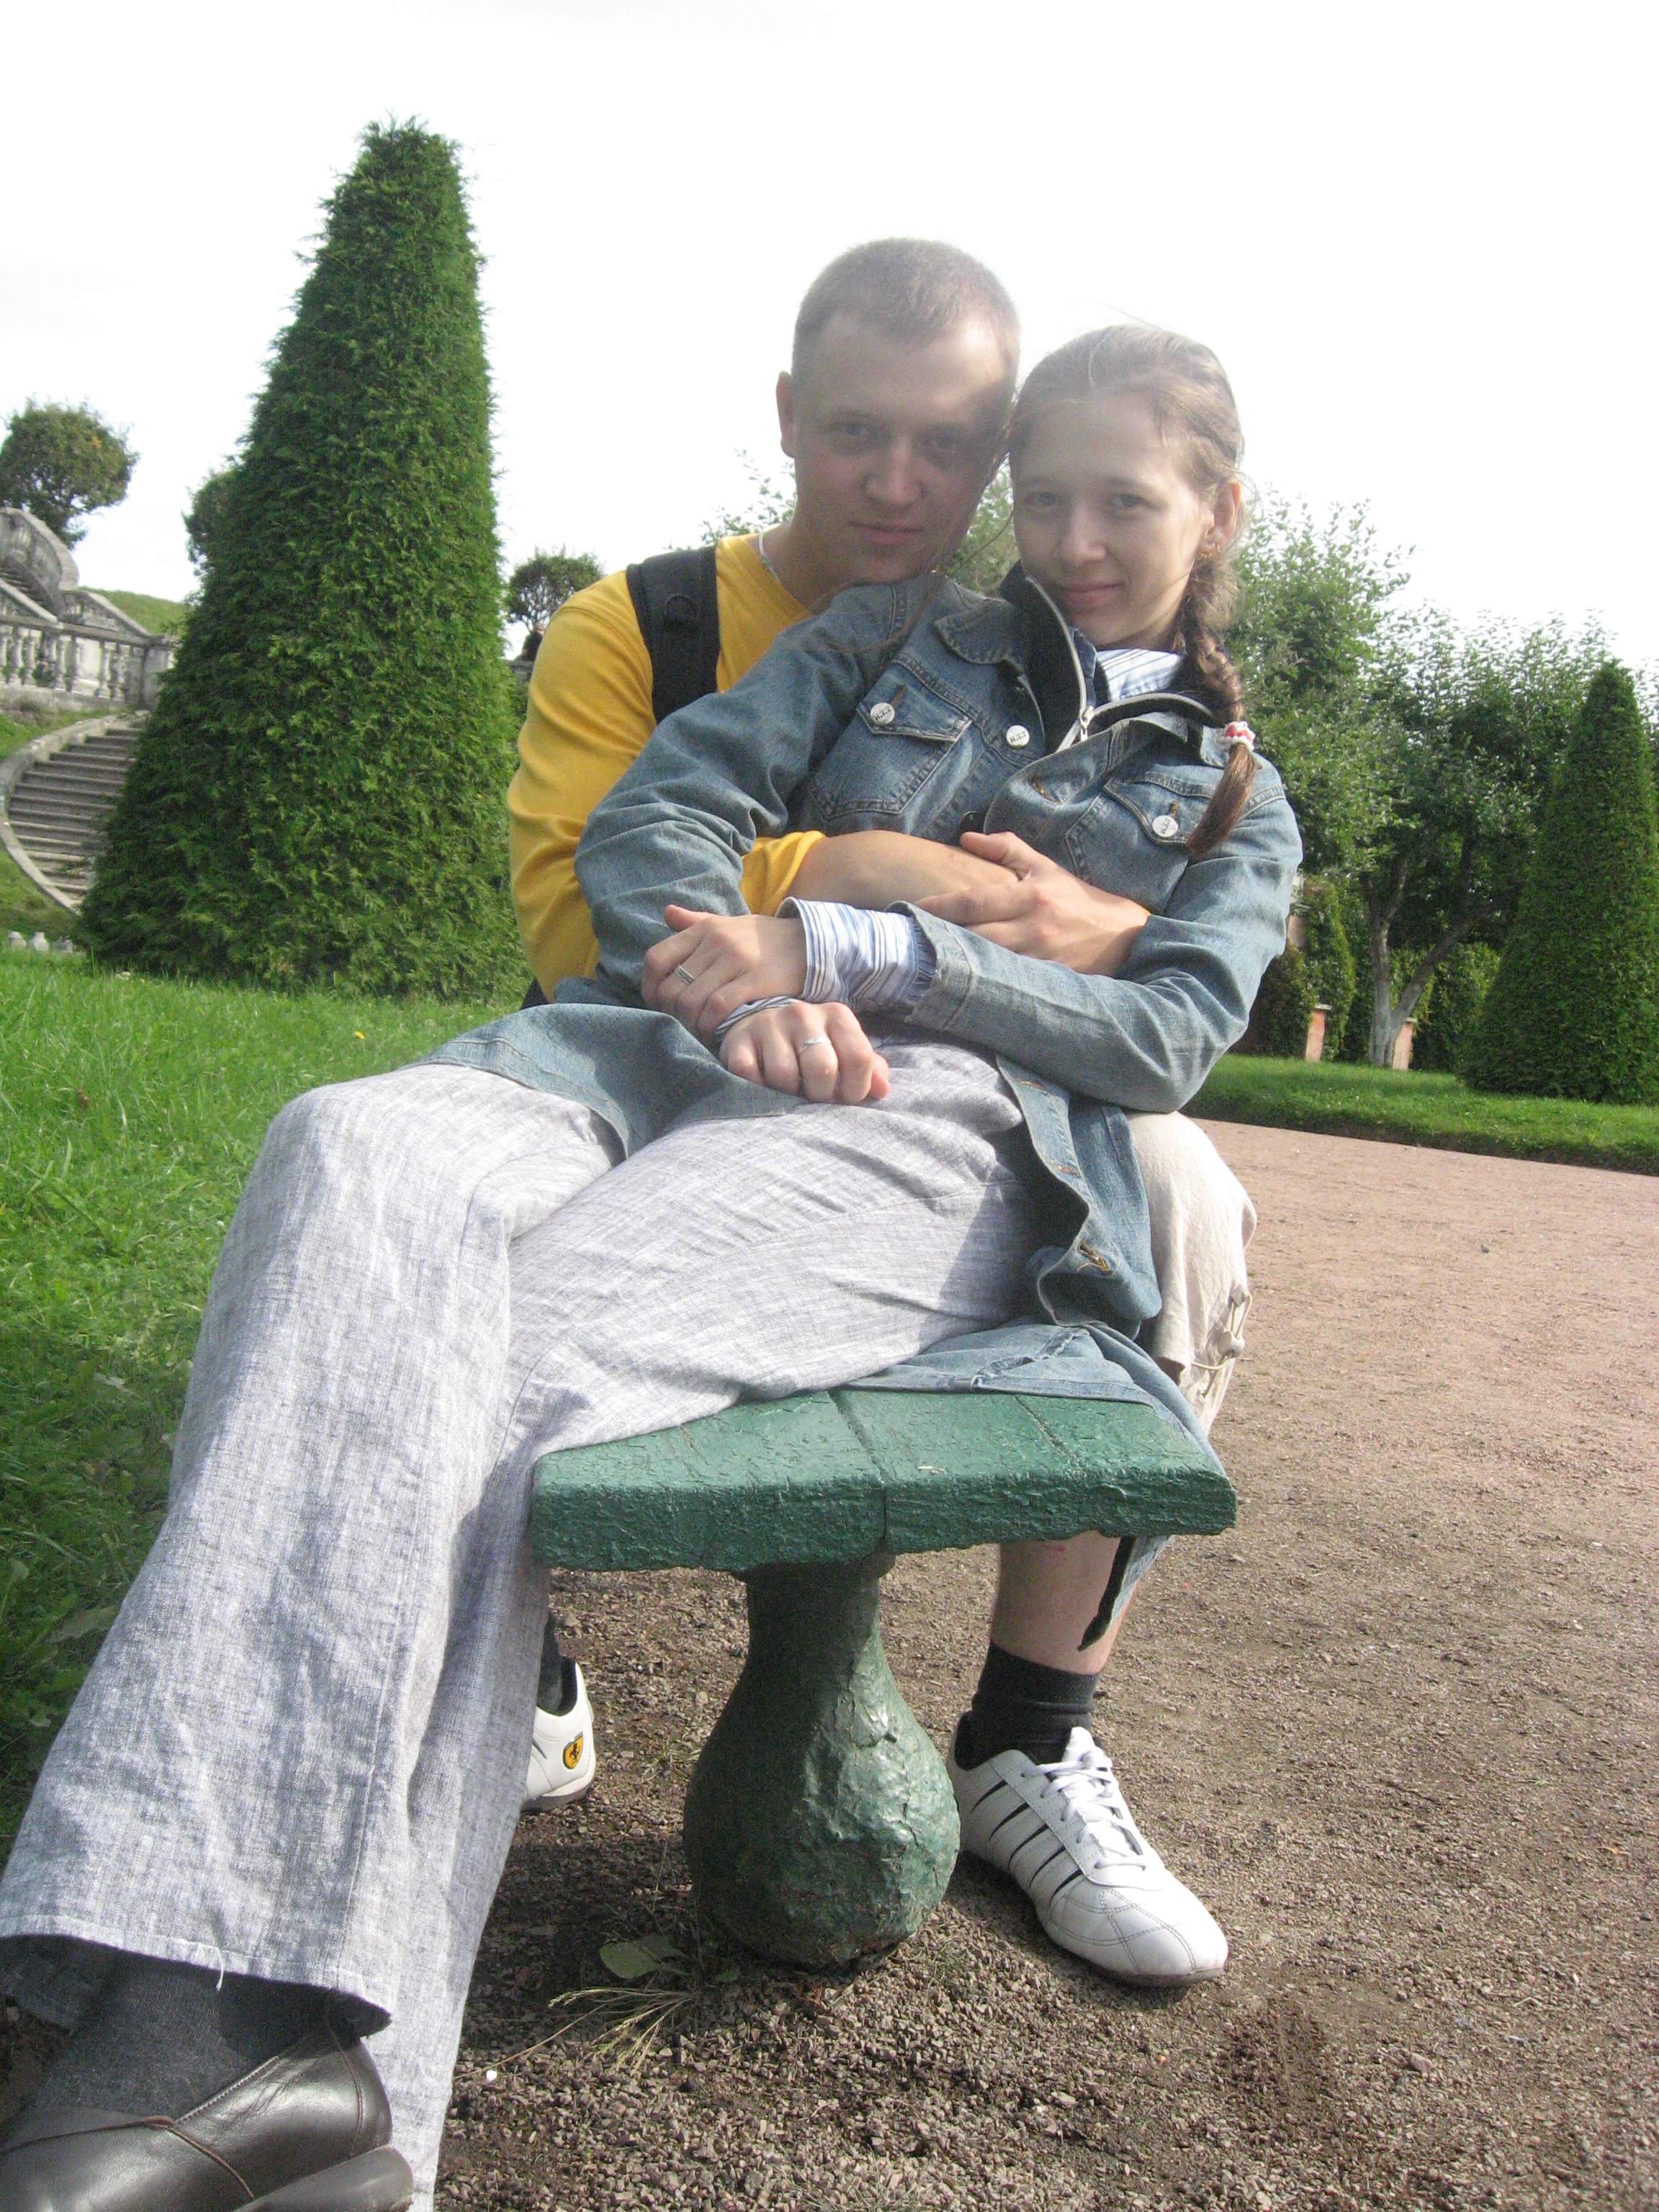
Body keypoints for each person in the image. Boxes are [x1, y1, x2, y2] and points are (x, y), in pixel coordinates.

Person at [0, 318, 1298, 2212]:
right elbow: (657, 817)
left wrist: (866, 953)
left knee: (494, 1365)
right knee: (343, 1152)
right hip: (646, 1048)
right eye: (1049, 498)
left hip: (935, 1126)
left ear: (1219, 513)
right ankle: (302, 2087)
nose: (1077, 540)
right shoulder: (899, 635)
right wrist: (747, 950)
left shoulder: (1238, 800)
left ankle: (222, 2033)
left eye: (1128, 503)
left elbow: (1164, 1036)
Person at [515, 239, 1259, 1810]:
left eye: (950, 445)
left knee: (1185, 1194)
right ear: (790, 415)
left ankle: (1037, 1729)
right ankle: (507, 1628)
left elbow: (1165, 1016)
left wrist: (1002, 941)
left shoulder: (1223, 782)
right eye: (861, 431)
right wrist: (834, 900)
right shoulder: (763, 630)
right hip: (701, 1024)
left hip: (979, 1095)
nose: (904, 482)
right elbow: (600, 889)